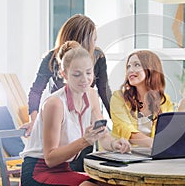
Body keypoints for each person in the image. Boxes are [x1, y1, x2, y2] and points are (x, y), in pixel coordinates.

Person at [20, 41, 130, 186]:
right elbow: (50, 159)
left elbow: (103, 135)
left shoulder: (91, 95)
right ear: (64, 74)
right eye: (77, 74)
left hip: (64, 169)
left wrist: (115, 143)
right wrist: (85, 141)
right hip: (38, 172)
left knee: (113, 183)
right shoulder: (55, 104)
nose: (84, 79)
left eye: (89, 73)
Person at [24, 14, 112, 137]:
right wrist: (33, 120)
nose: (94, 43)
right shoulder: (51, 58)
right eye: (93, 39)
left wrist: (118, 123)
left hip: (84, 112)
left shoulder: (98, 56)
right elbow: (36, 91)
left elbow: (104, 91)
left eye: (88, 72)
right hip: (60, 115)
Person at [110, 50, 173, 147]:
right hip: (125, 155)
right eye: (128, 66)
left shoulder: (164, 100)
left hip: (153, 157)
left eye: (137, 65)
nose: (130, 70)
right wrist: (155, 145)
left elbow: (167, 132)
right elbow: (126, 129)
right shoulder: (118, 97)